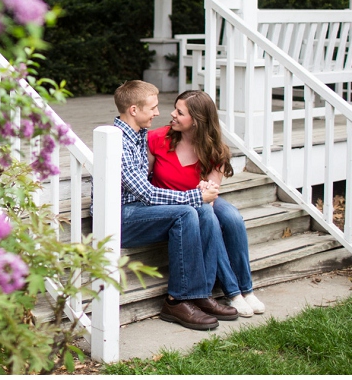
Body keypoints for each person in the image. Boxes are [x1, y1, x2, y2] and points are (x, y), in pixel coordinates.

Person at [112, 80, 238, 330]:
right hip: (120, 218)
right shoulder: (119, 142)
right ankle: (176, 299)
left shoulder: (137, 136)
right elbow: (146, 193)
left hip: (139, 210)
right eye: (153, 108)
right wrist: (194, 196)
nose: (159, 113)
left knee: (202, 212)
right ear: (134, 110)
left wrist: (200, 192)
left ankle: (199, 294)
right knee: (186, 212)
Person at [147, 89, 266, 317]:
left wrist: (207, 189)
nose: (172, 114)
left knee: (231, 217)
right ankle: (233, 293)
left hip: (201, 200)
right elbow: (145, 183)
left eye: (179, 112)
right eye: (175, 108)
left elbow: (211, 193)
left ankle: (247, 289)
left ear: (197, 121)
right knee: (207, 216)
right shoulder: (157, 139)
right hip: (173, 202)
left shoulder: (215, 150)